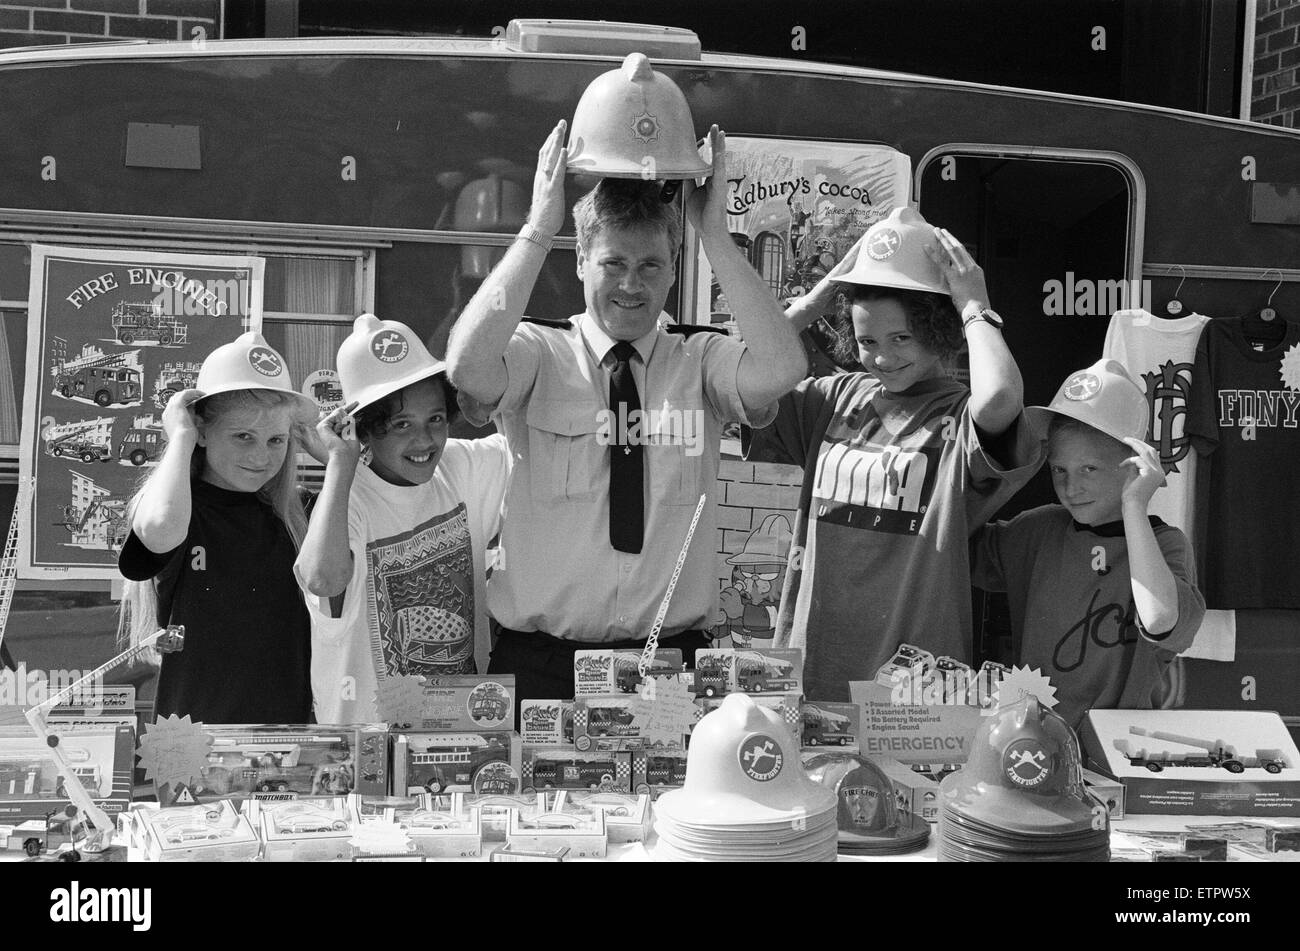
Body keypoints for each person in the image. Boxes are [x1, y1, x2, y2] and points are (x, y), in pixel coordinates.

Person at [446, 121, 807, 704]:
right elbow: (467, 367)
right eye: (613, 264)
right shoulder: (540, 353)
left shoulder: (700, 359)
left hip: (671, 666)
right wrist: (539, 228)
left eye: (651, 266)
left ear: (673, 267)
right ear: (582, 259)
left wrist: (713, 233)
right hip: (543, 668)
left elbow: (782, 367)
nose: (631, 286)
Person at [747, 207, 1044, 702]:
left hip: (914, 690)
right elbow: (744, 378)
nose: (882, 356)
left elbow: (998, 400)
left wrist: (974, 305)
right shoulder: (834, 399)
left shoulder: (959, 418)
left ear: (940, 328)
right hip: (810, 674)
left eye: (901, 337)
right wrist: (820, 298)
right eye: (866, 341)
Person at [295, 314, 511, 724]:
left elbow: (531, 444)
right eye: (401, 424)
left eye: (435, 419)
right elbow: (322, 579)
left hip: (460, 737)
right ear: (366, 430)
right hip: (367, 756)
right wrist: (340, 464)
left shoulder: (460, 466)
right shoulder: (347, 500)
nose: (424, 440)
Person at [971, 360, 1206, 728]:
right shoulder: (1040, 529)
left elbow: (1160, 619)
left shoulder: (1164, 543)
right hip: (1033, 738)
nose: (1070, 487)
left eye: (1089, 469)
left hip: (1117, 745)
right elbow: (949, 544)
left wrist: (1134, 504)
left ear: (1133, 465)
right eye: (1059, 470)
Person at [117, 332, 316, 723]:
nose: (261, 456)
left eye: (275, 439)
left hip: (290, 742)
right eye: (243, 436)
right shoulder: (173, 503)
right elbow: (158, 528)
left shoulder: (301, 509)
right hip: (189, 745)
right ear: (204, 431)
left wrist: (338, 460)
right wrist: (181, 436)